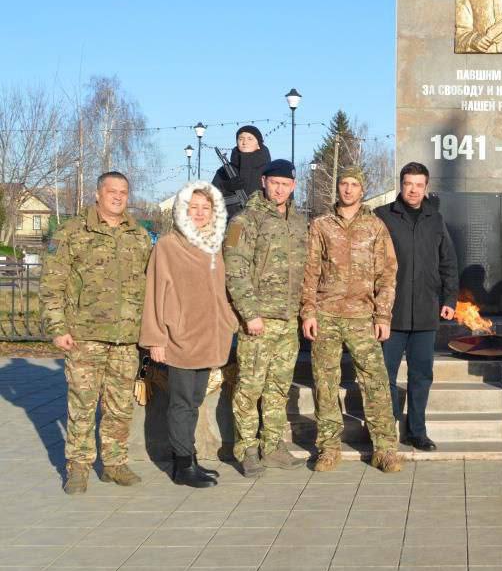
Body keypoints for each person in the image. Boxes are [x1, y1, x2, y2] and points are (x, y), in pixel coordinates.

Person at [40, 171, 152, 494]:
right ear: (98, 194)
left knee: (120, 406)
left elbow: (151, 283)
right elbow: (52, 285)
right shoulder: (73, 231)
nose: (118, 197)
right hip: (84, 336)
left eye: (123, 192)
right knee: (82, 404)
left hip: (126, 338)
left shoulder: (139, 235)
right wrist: (58, 328)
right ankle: (78, 466)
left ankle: (114, 463)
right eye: (111, 191)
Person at [302, 166, 402, 474]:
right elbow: (309, 270)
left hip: (362, 316)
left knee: (376, 383)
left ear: (362, 189)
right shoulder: (320, 225)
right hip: (327, 315)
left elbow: (387, 273)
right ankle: (328, 448)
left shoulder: (375, 227)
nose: (347, 189)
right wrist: (308, 310)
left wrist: (383, 315)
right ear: (338, 188)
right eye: (343, 184)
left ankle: (384, 449)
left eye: (353, 184)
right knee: (325, 383)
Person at [140, 181, 236, 488]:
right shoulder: (168, 245)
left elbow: (220, 291)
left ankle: (190, 458)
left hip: (209, 336)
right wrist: (156, 338)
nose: (199, 213)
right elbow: (155, 293)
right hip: (180, 337)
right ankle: (183, 465)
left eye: (205, 208)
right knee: (181, 402)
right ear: (183, 209)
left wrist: (229, 321)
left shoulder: (214, 246)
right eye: (193, 207)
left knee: (194, 400)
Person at [224, 159, 308, 477]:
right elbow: (234, 268)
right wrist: (250, 313)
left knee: (278, 387)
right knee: (250, 386)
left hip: (288, 321)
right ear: (263, 182)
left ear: (293, 186)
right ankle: (246, 449)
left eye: (285, 184)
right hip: (258, 321)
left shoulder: (299, 223)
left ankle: (272, 446)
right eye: (274, 182)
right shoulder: (244, 220)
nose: (279, 189)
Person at [375, 162, 459, 452]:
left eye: (419, 185)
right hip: (390, 315)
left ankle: (417, 431)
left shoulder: (435, 219)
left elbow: (448, 262)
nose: (413, 190)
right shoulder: (382, 217)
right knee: (384, 374)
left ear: (426, 187)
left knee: (421, 375)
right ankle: (386, 430)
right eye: (408, 183)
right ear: (401, 184)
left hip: (425, 313)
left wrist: (449, 299)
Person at [212, 125, 271, 218]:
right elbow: (208, 197)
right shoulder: (224, 171)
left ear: (259, 144)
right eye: (240, 139)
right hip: (229, 224)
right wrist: (225, 187)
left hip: (263, 223)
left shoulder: (270, 170)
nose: (244, 142)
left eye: (250, 139)